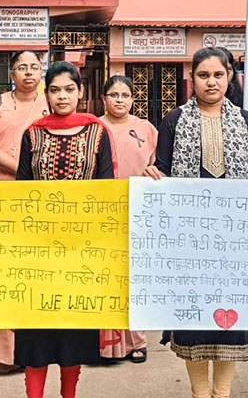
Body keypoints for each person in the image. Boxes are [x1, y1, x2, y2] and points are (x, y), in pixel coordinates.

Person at [143, 47, 248, 398]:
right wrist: (152, 174)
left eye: (218, 75)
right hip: (188, 239)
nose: (211, 82)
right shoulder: (173, 120)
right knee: (194, 319)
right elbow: (163, 170)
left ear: (230, 77)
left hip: (234, 240)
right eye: (203, 75)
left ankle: (222, 392)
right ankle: (199, 393)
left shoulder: (246, 121)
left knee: (231, 320)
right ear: (192, 80)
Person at [13, 61, 115, 398]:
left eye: (69, 89)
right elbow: (21, 190)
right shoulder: (33, 133)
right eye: (55, 89)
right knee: (36, 332)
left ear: (80, 91)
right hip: (38, 251)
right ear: (46, 92)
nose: (62, 96)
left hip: (80, 251)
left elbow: (106, 189)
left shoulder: (97, 132)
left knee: (73, 332)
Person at [0, 51, 49, 372]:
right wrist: (26, 173)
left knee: (34, 274)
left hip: (41, 200)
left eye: (35, 67)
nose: (29, 73)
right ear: (12, 72)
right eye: (22, 67)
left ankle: (31, 349)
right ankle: (1, 354)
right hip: (0, 198)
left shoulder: (51, 103)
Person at [97, 75, 155, 364]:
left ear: (133, 99)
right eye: (113, 94)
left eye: (125, 95)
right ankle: (105, 344)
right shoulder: (93, 128)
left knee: (134, 278)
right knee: (104, 276)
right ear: (104, 98)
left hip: (138, 211)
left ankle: (136, 342)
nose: (119, 99)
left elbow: (159, 163)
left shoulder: (146, 129)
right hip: (102, 212)